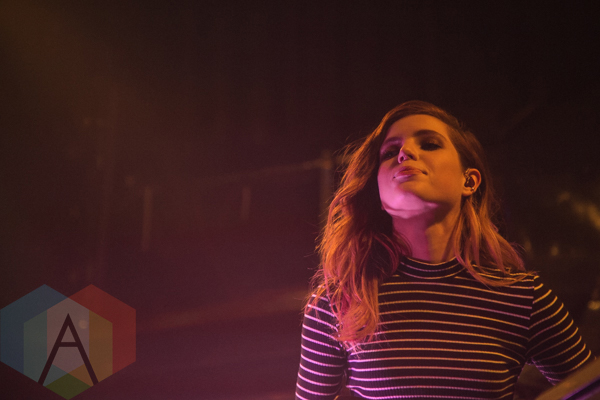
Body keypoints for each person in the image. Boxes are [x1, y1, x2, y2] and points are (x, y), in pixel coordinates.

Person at [295, 101, 593, 400]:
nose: (404, 153)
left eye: (429, 144)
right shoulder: (340, 300)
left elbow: (591, 389)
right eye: (389, 152)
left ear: (469, 181)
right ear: (378, 191)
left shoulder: (524, 298)